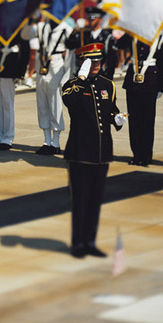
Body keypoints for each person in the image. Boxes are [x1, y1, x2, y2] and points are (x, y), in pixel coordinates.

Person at [61, 43, 123, 258]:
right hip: (80, 152)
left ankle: (90, 241)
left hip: (101, 152)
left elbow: (110, 108)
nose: (96, 65)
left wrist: (117, 118)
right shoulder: (71, 85)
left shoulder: (108, 85)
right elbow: (70, 101)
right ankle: (77, 242)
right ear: (82, 62)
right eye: (91, 61)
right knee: (79, 200)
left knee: (95, 200)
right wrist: (81, 79)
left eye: (98, 61)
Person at [120, 31, 163, 166]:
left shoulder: (160, 38)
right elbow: (119, 44)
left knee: (147, 121)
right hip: (133, 81)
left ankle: (145, 156)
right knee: (134, 121)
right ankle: (136, 155)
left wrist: (160, 87)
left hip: (150, 81)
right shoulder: (133, 35)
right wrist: (128, 30)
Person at [33, 16, 71, 156]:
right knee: (42, 104)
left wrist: (67, 75)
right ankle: (46, 141)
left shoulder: (66, 28)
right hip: (42, 64)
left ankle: (56, 142)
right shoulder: (42, 26)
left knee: (55, 104)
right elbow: (26, 34)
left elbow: (70, 52)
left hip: (56, 64)